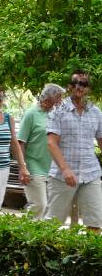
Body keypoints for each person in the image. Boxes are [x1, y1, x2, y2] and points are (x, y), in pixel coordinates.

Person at [46, 70, 102, 230]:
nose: (79, 87)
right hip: (62, 176)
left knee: (95, 223)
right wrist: (65, 169)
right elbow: (51, 143)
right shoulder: (57, 111)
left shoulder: (96, 112)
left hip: (90, 174)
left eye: (84, 84)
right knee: (52, 225)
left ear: (88, 88)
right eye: (76, 83)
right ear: (70, 87)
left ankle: (88, 255)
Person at [17, 83, 65, 218]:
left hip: (52, 170)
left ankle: (35, 236)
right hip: (34, 167)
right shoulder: (31, 114)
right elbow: (20, 142)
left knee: (49, 210)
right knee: (39, 205)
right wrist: (22, 167)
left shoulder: (56, 115)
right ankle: (21, 230)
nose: (61, 101)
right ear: (50, 98)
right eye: (59, 98)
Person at [0, 85, 28, 210]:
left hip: (3, 168)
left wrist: (22, 167)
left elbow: (14, 144)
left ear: (1, 100)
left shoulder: (8, 118)